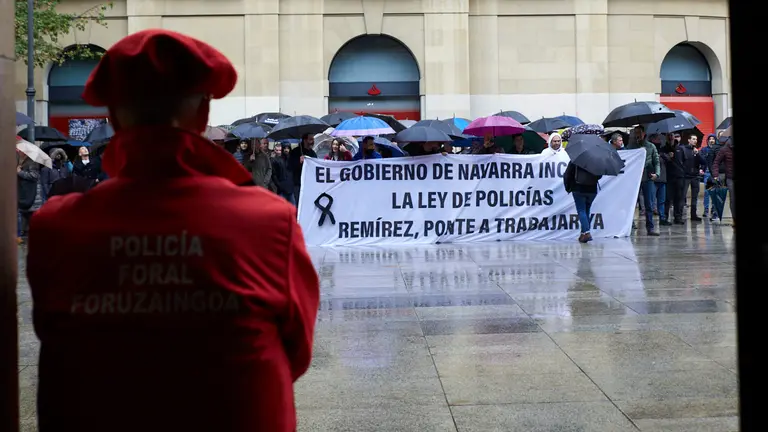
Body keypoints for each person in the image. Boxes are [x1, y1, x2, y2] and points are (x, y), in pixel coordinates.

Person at [26, 29, 319, 432]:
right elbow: (296, 353)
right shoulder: (269, 222)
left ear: (113, 118)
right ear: (203, 115)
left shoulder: (56, 228)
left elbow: (54, 335)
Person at [630, 125, 661, 236]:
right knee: (632, 203)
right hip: (635, 178)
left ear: (644, 133)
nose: (637, 134)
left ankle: (650, 227)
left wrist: (657, 174)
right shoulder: (631, 146)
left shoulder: (651, 146)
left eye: (639, 132)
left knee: (649, 204)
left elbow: (656, 162)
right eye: (635, 132)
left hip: (648, 178)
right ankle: (630, 225)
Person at [563, 161, 601, 243]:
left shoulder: (575, 160)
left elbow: (567, 175)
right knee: (586, 210)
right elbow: (599, 176)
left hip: (578, 189)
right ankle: (583, 234)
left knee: (581, 210)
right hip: (592, 190)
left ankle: (587, 233)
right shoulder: (596, 160)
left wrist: (568, 187)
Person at [288, 133, 317, 205]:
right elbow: (290, 166)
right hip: (297, 184)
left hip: (309, 184)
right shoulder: (295, 151)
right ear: (305, 140)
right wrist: (299, 161)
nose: (312, 142)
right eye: (310, 139)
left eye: (313, 139)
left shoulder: (313, 153)